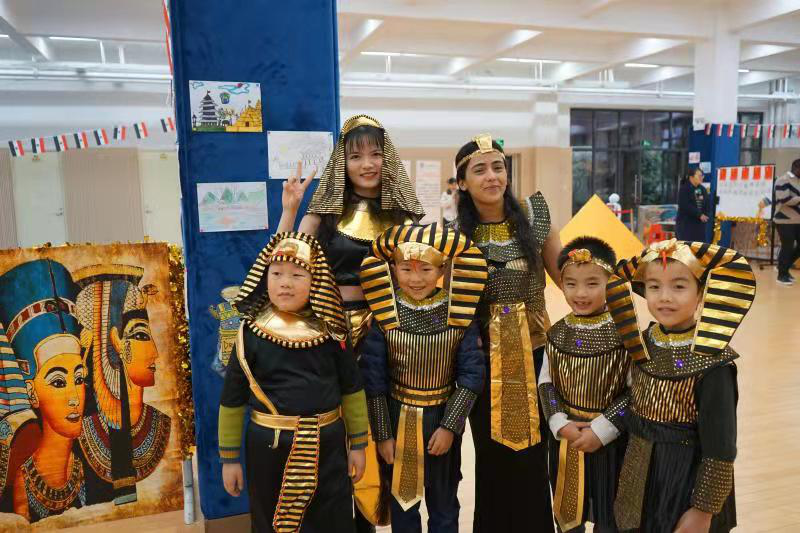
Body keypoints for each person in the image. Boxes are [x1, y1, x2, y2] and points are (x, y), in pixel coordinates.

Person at [277, 114, 425, 528]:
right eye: (356, 156)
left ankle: (387, 515)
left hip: (392, 333)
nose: (367, 164)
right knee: (340, 433)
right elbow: (283, 261)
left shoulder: (403, 216)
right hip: (334, 331)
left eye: (376, 154)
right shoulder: (324, 214)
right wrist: (290, 210)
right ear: (343, 161)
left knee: (390, 427)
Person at [218, 232, 369, 532]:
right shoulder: (250, 334)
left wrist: (358, 445)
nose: (285, 283)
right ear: (264, 277)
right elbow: (232, 398)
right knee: (270, 519)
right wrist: (230, 459)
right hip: (269, 448)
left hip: (329, 446)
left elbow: (352, 389)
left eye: (297, 275)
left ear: (317, 280)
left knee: (333, 519)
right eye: (276, 274)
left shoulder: (333, 331)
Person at [451, 134, 563, 533]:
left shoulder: (534, 219)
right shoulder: (455, 236)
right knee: (493, 460)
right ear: (462, 182)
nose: (492, 176)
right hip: (484, 365)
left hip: (536, 354)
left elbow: (568, 279)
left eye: (498, 167)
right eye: (479, 170)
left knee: (534, 459)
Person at [607, 239, 753, 532]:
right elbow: (633, 401)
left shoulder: (713, 364)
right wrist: (601, 426)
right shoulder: (644, 343)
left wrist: (703, 510)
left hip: (685, 479)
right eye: (654, 286)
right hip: (639, 470)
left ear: (701, 292)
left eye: (679, 286)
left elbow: (720, 448)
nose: (665, 297)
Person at [358, 224, 487, 532]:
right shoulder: (384, 315)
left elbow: (472, 376)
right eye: (406, 269)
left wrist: (450, 427)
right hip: (397, 420)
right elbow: (373, 380)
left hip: (441, 419)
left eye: (425, 269)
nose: (415, 279)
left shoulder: (459, 314)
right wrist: (383, 434)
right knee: (403, 507)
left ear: (442, 269)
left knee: (444, 506)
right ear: (393, 269)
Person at [538, 237, 630, 533]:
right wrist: (559, 422)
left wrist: (602, 430)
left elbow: (633, 393)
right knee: (568, 518)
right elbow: (546, 383)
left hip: (610, 444)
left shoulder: (625, 335)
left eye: (592, 284)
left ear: (610, 283)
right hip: (566, 440)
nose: (580, 293)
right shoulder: (556, 334)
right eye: (571, 284)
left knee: (610, 517)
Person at [73, 265, 171, 505]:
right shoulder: (80, 431)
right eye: (140, 336)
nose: (155, 353)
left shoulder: (161, 422)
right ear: (116, 343)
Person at [0, 260, 87, 523]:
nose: (74, 397)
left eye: (79, 378)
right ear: (31, 392)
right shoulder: (23, 482)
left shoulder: (86, 468)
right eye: (58, 382)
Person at [775, 158, 800, 285]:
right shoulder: (782, 180)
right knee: (787, 246)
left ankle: (783, 267)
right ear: (796, 168)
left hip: (798, 220)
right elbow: (784, 199)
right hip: (784, 220)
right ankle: (781, 275)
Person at [676, 168, 710, 242]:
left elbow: (707, 204)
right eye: (699, 176)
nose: (701, 178)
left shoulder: (702, 189)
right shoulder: (684, 189)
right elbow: (685, 206)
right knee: (687, 246)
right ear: (691, 177)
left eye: (702, 176)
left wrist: (706, 215)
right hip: (686, 225)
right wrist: (699, 215)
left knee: (700, 246)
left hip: (699, 226)